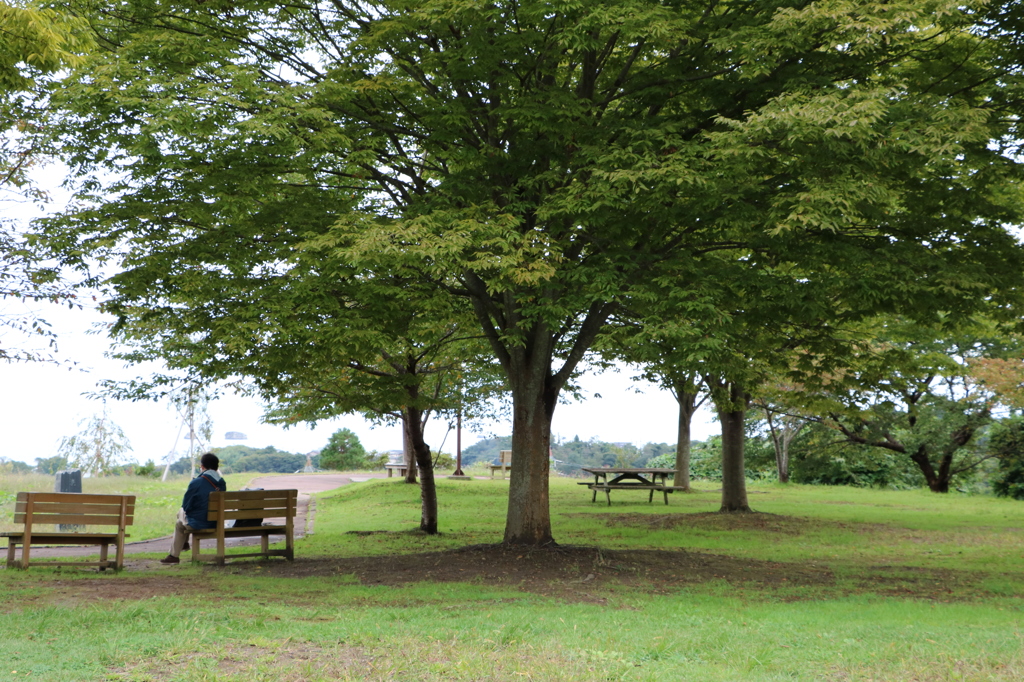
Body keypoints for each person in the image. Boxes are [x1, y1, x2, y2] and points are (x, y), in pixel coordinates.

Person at [159, 452, 227, 565]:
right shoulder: (222, 483)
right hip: (216, 522)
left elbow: (186, 505)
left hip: (199, 523)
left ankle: (174, 555)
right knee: (181, 520)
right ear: (216, 467)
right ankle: (183, 544)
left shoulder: (196, 482)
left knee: (179, 520)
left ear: (202, 467)